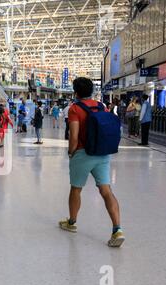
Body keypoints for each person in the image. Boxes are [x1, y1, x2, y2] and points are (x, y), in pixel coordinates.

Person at [59, 77, 125, 248]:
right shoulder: (100, 106)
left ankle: (72, 222)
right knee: (106, 190)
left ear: (75, 92)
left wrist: (71, 152)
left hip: (83, 153)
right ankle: (117, 229)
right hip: (102, 152)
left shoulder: (75, 109)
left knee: (76, 188)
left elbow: (74, 136)